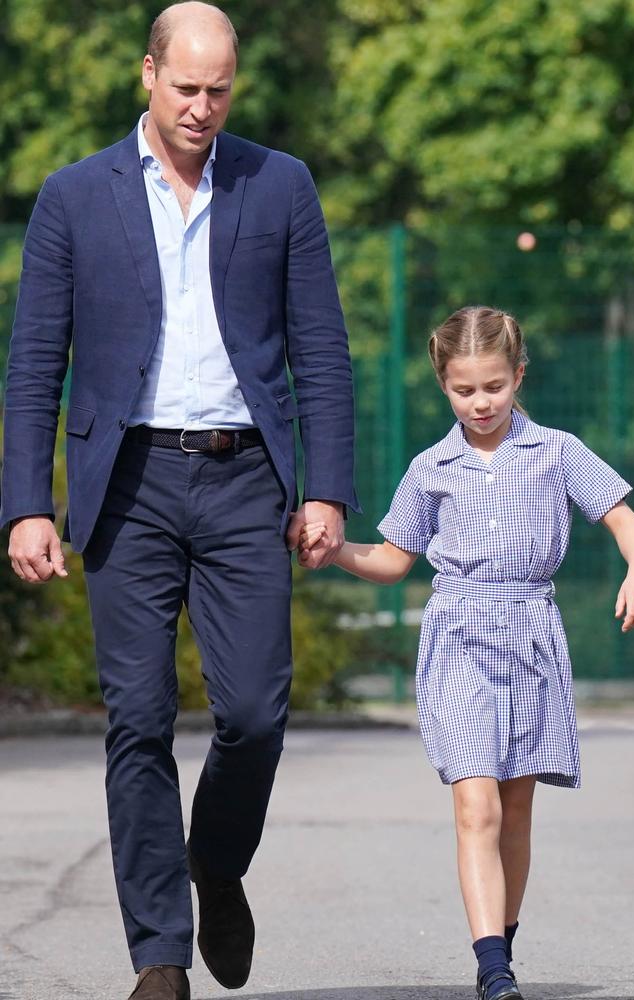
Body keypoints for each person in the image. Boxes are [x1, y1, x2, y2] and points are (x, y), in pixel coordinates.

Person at [1, 4, 358, 998]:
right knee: (139, 718)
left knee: (251, 711)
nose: (202, 108)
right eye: (185, 87)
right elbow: (35, 364)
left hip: (246, 475)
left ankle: (215, 861)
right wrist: (27, 503)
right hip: (128, 483)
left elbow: (320, 352)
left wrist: (325, 486)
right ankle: (158, 954)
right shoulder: (75, 196)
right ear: (147, 75)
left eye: (219, 90)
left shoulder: (278, 184)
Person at [299, 305, 634, 1000]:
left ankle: (502, 945)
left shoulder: (557, 451)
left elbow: (623, 518)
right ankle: (492, 968)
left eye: (494, 386)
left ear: (518, 376)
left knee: (515, 811)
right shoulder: (432, 466)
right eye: (464, 390)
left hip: (530, 636)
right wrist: (336, 550)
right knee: (476, 807)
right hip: (457, 635)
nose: (480, 402)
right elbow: (396, 559)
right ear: (443, 385)